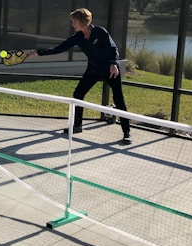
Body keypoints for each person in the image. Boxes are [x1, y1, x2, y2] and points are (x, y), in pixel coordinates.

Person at [29, 8, 131, 145]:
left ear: (83, 21)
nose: (72, 25)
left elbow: (113, 48)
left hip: (111, 70)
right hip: (93, 70)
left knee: (119, 99)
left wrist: (113, 64)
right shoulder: (77, 37)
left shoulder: (100, 32)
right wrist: (38, 53)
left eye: (74, 21)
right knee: (78, 93)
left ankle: (126, 133)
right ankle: (77, 126)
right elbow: (59, 48)